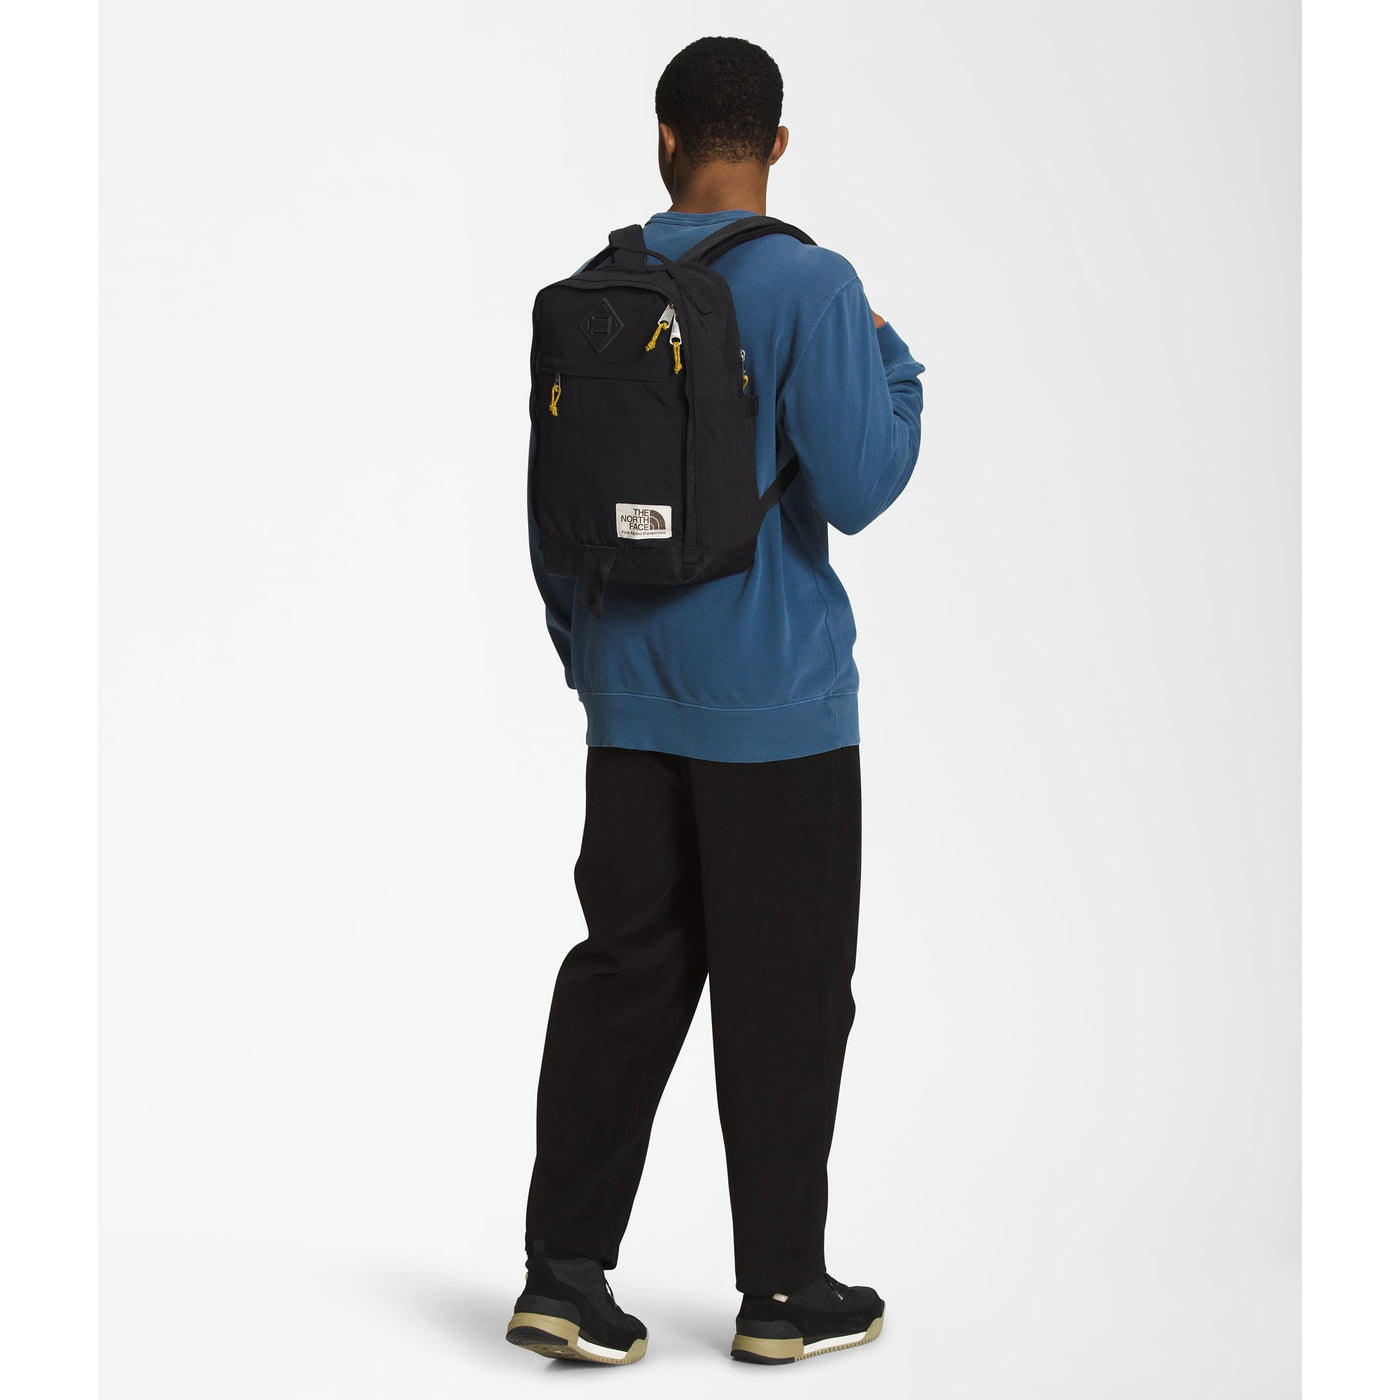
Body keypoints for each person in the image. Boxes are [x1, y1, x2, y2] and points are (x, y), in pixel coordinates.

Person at [508, 35, 926, 1367]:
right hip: (777, 711)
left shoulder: (599, 293)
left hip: (632, 704)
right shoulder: (814, 285)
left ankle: (563, 1275)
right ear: (778, 145)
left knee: (624, 976)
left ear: (665, 138)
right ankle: (783, 1292)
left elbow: (553, 517)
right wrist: (897, 369)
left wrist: (597, 664)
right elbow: (860, 485)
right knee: (784, 995)